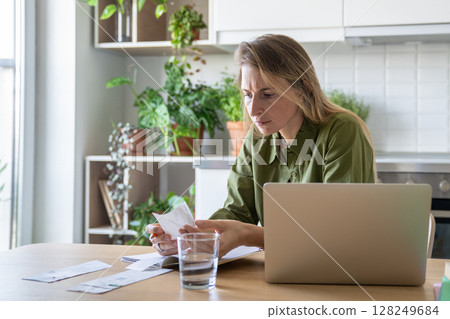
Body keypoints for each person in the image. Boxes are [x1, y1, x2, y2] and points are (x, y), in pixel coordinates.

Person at [146, 34, 375, 258]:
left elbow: (338, 233)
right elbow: (237, 213)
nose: (253, 109)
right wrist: (190, 236)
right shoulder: (256, 139)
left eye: (267, 94)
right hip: (279, 271)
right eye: (247, 95)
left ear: (303, 89)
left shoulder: (342, 130)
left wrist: (248, 234)